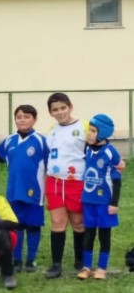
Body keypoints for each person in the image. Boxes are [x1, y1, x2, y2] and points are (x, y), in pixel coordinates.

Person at [0, 105, 48, 272]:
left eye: (26, 116)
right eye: (18, 117)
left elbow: (54, 161)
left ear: (34, 119)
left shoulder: (41, 140)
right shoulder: (9, 140)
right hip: (14, 191)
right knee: (15, 226)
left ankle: (31, 260)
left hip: (35, 192)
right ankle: (16, 260)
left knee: (33, 226)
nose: (22, 120)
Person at [43, 93, 88, 278]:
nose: (60, 112)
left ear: (70, 107)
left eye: (63, 107)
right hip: (54, 182)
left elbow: (99, 148)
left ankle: (80, 261)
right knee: (57, 223)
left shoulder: (84, 126)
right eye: (55, 109)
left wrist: (117, 163)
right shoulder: (51, 131)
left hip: (76, 182)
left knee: (78, 222)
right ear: (51, 113)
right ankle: (56, 265)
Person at [78, 114, 121, 280]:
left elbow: (117, 181)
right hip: (88, 200)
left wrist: (114, 203)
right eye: (89, 130)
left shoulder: (111, 153)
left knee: (104, 234)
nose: (89, 134)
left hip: (104, 203)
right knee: (89, 233)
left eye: (93, 131)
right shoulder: (87, 148)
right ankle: (87, 267)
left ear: (102, 134)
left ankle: (102, 268)